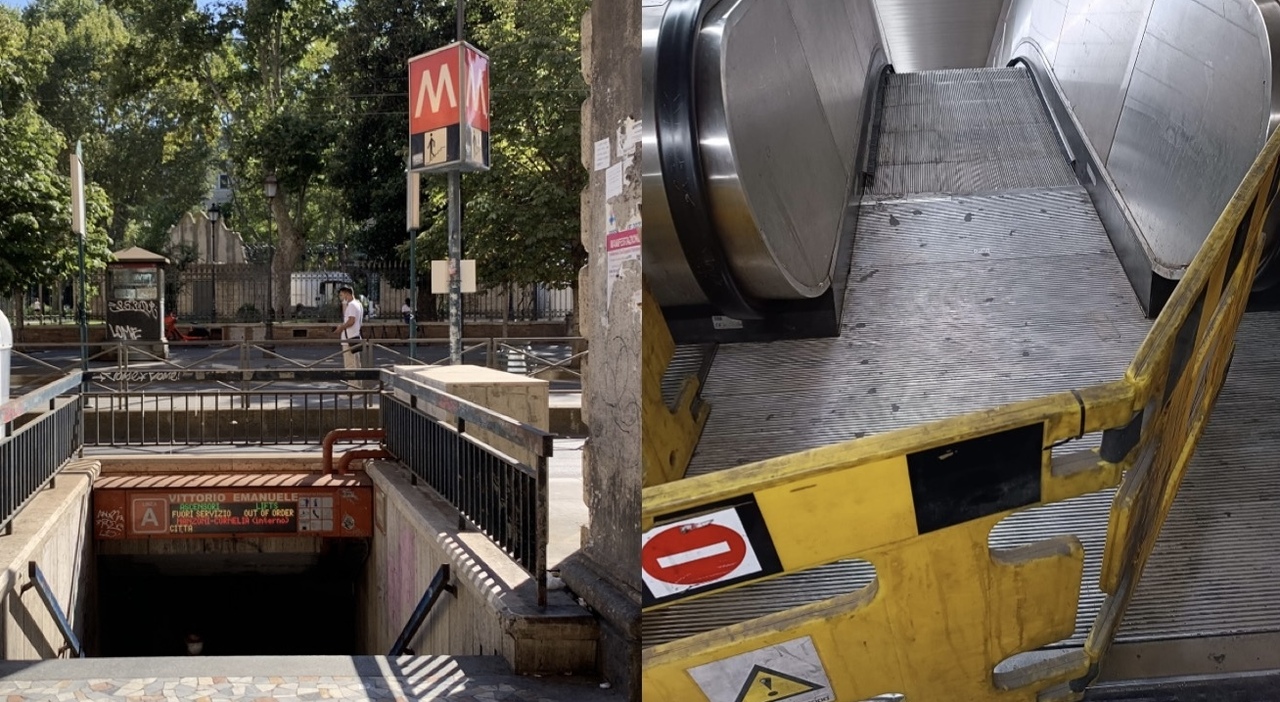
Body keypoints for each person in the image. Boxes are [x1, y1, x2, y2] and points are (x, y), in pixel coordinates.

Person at [334, 286, 364, 371]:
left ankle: (352, 384)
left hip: (349, 339)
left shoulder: (351, 305)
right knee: (356, 364)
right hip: (355, 336)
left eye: (341, 295)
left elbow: (351, 321)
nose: (340, 298)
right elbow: (346, 318)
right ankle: (357, 384)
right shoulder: (358, 304)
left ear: (347, 294)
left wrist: (341, 328)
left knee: (350, 366)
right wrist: (344, 304)